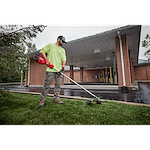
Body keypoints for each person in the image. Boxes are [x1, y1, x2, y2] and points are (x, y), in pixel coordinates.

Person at [39, 36, 67, 107]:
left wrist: (63, 66)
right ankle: (42, 100)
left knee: (58, 85)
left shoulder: (62, 50)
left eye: (64, 42)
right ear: (58, 39)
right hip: (50, 69)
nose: (63, 43)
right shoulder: (50, 46)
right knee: (47, 85)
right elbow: (42, 51)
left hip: (59, 70)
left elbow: (64, 58)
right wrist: (46, 59)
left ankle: (56, 99)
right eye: (62, 41)